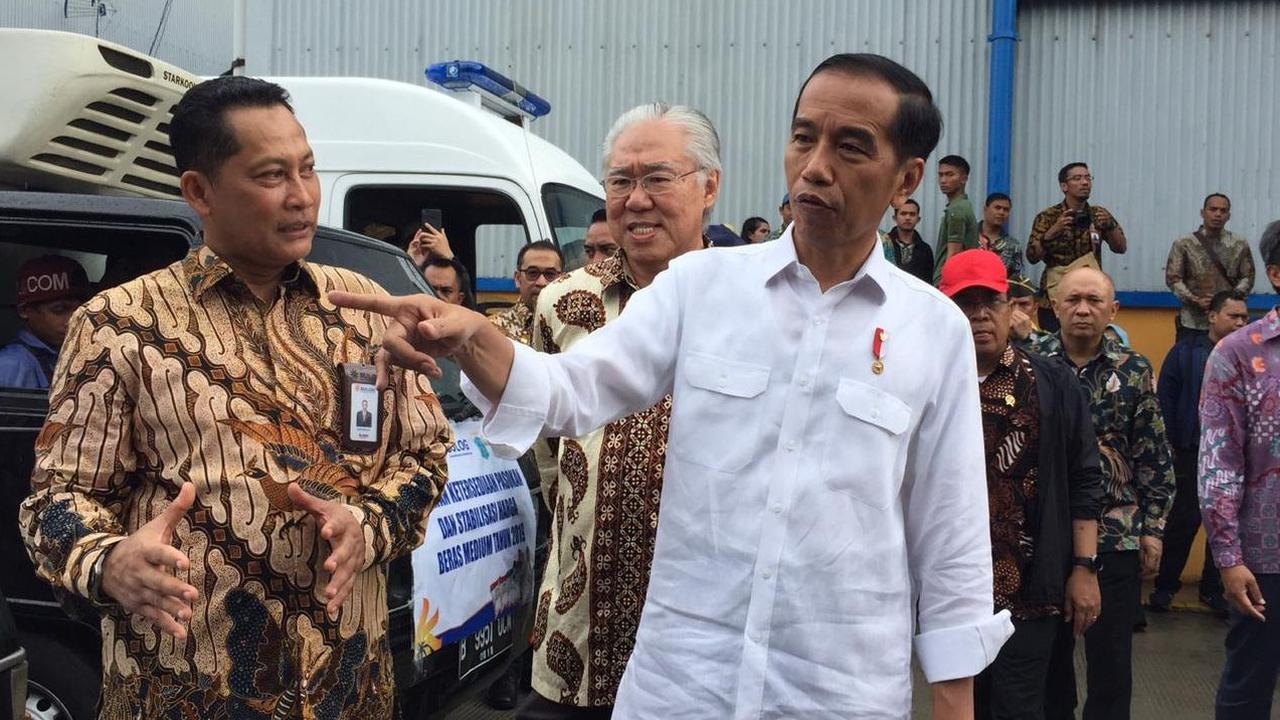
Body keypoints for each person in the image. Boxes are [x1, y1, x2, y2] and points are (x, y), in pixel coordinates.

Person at [330, 53, 1014, 720]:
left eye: (851, 146)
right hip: (685, 683)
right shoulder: (702, 290)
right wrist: (473, 337)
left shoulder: (934, 330)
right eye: (803, 137)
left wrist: (955, 701)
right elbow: (572, 390)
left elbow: (950, 537)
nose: (815, 166)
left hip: (836, 688)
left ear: (908, 177)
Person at [17, 76, 452, 719]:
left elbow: (424, 456)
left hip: (348, 691)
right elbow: (55, 498)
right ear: (199, 191)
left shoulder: (362, 310)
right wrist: (108, 562)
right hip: (182, 689)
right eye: (272, 175)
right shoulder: (121, 325)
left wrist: (371, 523)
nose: (302, 196)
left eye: (308, 169)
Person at [522, 101, 725, 718]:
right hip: (576, 641)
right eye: (620, 180)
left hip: (702, 649)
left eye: (658, 178)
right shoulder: (562, 304)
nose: (637, 199)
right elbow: (549, 453)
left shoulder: (743, 303)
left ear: (709, 187)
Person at [940, 250, 1104, 720]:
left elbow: (1084, 477)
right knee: (960, 704)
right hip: (951, 588)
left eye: (989, 302)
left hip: (1032, 589)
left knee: (1019, 706)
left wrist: (1084, 566)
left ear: (1012, 308)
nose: (978, 316)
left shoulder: (1051, 384)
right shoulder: (930, 381)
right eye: (964, 304)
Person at [1031, 267, 1175, 720]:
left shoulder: (1134, 371)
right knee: (1049, 660)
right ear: (1054, 307)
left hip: (1117, 534)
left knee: (1111, 663)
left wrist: (1153, 529)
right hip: (1045, 532)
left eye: (1094, 301)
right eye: (1073, 300)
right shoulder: (1030, 362)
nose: (1083, 309)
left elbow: (1153, 454)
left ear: (1113, 310)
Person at [1199, 220, 1280, 720]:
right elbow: (1218, 464)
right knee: (1248, 687)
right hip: (1265, 560)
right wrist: (1228, 557)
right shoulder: (1237, 353)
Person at [1149, 289, 1249, 615]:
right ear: (1212, 316)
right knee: (1184, 521)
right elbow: (1164, 401)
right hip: (1192, 452)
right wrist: (1172, 448)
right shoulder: (1185, 354)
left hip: (1237, 456)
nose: (1239, 323)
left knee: (1225, 524)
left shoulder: (1251, 357)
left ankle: (1213, 590)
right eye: (1233, 316)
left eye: (1244, 318)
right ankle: (1164, 587)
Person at [1026, 163, 1127, 330]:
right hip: (1054, 297)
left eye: (1088, 178)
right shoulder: (1048, 217)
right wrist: (1052, 232)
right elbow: (1032, 257)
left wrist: (1110, 225)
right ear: (1064, 186)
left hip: (1090, 294)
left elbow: (1120, 247)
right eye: (1078, 178)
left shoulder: (1099, 214)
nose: (1085, 182)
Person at [1164, 193, 1255, 339]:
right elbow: (1173, 279)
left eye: (1223, 210)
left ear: (1229, 216)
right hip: (1193, 323)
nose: (1218, 214)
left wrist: (1230, 300)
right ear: (1203, 212)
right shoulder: (1184, 243)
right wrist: (1195, 300)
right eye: (1213, 209)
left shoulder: (1239, 244)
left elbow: (1248, 276)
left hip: (1229, 324)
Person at [0, 255, 90, 389]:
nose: (73, 320)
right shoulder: (11, 365)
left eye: (81, 310)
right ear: (24, 311)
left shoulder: (78, 353)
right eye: (59, 310)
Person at [491, 240, 564, 346]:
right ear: (518, 278)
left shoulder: (574, 329)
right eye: (533, 273)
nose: (541, 282)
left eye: (550, 274)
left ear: (563, 279)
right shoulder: (494, 330)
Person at [931, 154, 980, 284]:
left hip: (949, 283)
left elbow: (953, 255)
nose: (943, 180)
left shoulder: (957, 210)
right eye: (940, 175)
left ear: (963, 179)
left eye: (949, 174)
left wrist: (944, 285)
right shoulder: (961, 205)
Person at [886, 198, 933, 284]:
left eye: (912, 214)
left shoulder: (925, 250)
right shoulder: (884, 245)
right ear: (894, 218)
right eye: (903, 214)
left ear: (918, 219)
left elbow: (928, 282)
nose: (908, 217)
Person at [979, 192, 1024, 279]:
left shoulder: (1013, 245)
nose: (1001, 212)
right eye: (997, 208)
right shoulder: (969, 236)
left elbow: (1017, 278)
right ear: (985, 209)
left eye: (1006, 210)